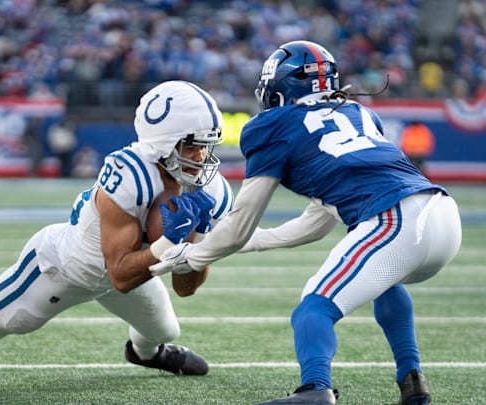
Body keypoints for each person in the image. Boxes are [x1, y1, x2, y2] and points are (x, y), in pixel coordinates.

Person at [0, 80, 233, 376]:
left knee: (166, 329)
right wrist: (170, 240)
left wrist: (196, 240)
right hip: (62, 268)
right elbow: (119, 273)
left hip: (133, 267)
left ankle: (145, 355)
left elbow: (185, 288)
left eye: (207, 145)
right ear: (164, 143)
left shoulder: (211, 188)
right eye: (194, 146)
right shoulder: (129, 174)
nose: (204, 157)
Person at [150, 41, 462, 404]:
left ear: (282, 86)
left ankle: (316, 389)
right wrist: (251, 241)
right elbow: (320, 219)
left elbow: (239, 224)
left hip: (395, 218)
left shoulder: (272, 125)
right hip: (441, 214)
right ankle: (413, 383)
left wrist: (191, 255)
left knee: (314, 306)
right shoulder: (358, 112)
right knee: (385, 281)